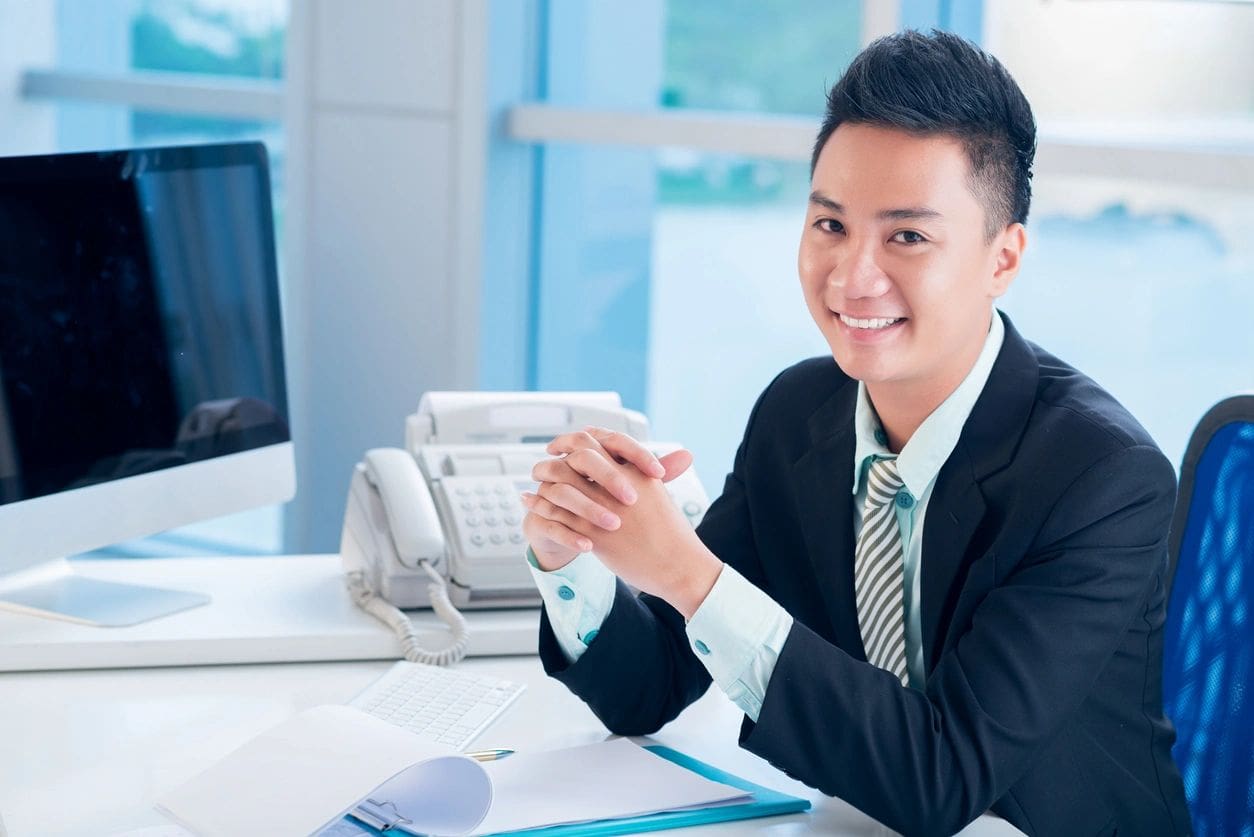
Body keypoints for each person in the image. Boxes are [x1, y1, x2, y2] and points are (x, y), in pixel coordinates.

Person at [519, 30, 1192, 837]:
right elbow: (651, 687)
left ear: (1002, 259)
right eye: (831, 225)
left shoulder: (1101, 478)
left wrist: (690, 574)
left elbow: (943, 777)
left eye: (907, 236)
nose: (851, 276)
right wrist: (573, 557)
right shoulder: (797, 414)